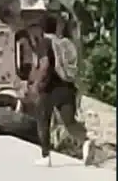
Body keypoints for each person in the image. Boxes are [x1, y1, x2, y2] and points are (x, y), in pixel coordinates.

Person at [28, 19, 95, 167]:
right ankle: (86, 141)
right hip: (67, 88)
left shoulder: (44, 43)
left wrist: (36, 85)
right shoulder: (64, 43)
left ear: (41, 29)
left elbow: (44, 65)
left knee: (43, 121)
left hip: (49, 91)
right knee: (69, 122)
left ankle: (45, 156)